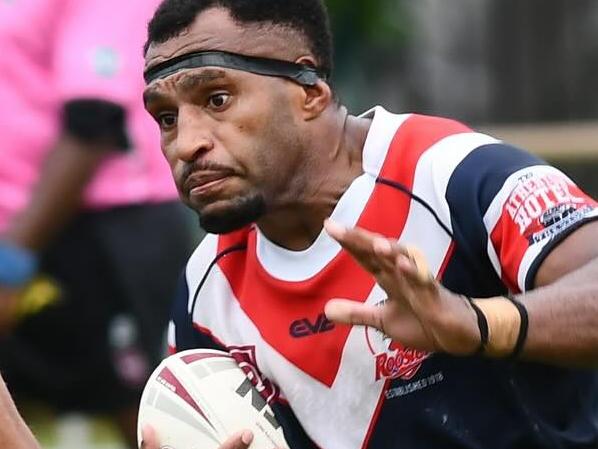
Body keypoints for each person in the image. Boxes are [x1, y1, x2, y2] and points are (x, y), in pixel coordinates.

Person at [139, 0, 598, 448]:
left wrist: (480, 323)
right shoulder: (206, 291)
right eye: (167, 118)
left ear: (310, 93)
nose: (186, 144)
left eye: (217, 99)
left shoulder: (451, 175)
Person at [0, 0, 193, 447]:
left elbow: (93, 121)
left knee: (155, 419)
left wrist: (10, 263)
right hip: (18, 228)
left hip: (102, 230)